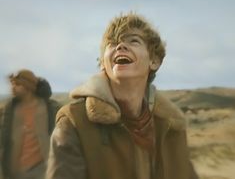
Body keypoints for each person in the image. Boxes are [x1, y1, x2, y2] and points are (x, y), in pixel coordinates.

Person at [46, 12, 198, 179]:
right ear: (103, 64)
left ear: (154, 61)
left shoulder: (171, 126)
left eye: (133, 41)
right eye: (112, 44)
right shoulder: (74, 121)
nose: (120, 46)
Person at [0, 69, 60, 179]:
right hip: (16, 172)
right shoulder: (11, 109)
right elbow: (4, 140)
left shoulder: (49, 108)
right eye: (12, 84)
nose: (13, 87)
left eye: (17, 84)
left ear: (28, 87)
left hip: (43, 170)